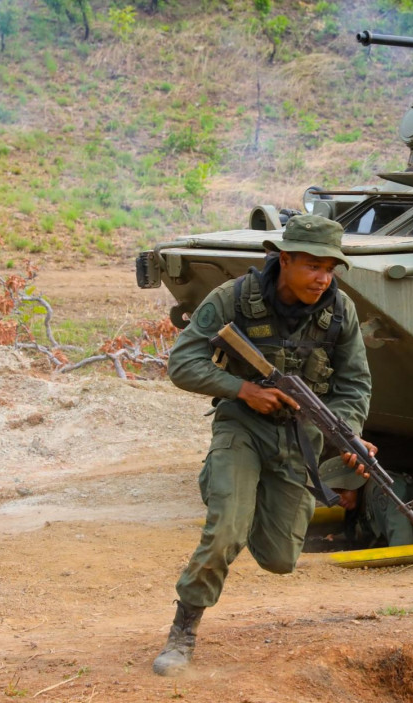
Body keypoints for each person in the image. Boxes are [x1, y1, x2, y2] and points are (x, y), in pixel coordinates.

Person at [152, 214, 375, 677]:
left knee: (280, 559)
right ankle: (183, 630)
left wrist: (349, 434)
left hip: (301, 438)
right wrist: (242, 390)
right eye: (313, 266)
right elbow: (183, 363)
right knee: (227, 531)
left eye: (331, 268)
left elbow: (355, 385)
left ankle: (230, 493)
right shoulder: (233, 299)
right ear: (284, 258)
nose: (323, 278)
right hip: (242, 426)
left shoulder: (341, 311)